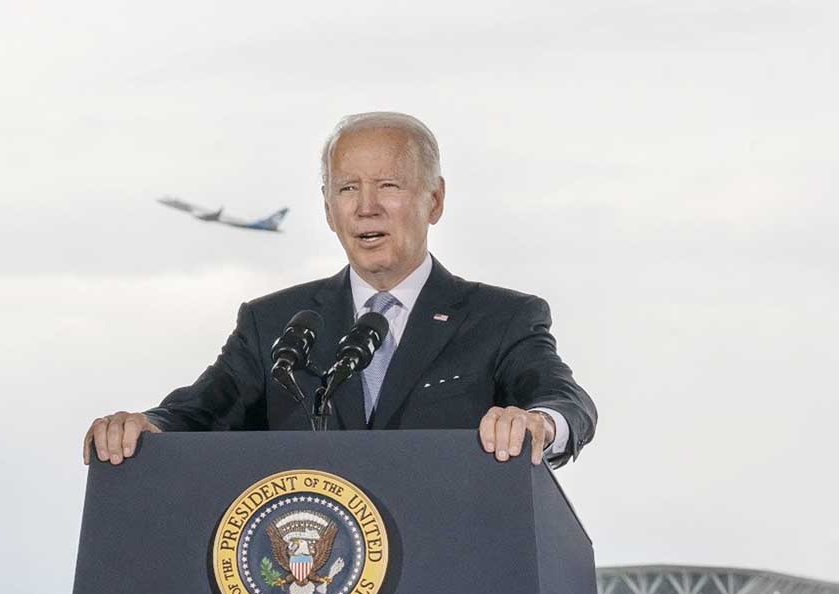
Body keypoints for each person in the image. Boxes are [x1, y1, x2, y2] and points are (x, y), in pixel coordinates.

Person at [83, 112, 596, 469]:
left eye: (388, 187)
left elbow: (566, 401)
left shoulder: (502, 318)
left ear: (434, 200)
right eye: (347, 189)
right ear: (328, 208)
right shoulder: (274, 323)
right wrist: (143, 426)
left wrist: (538, 423)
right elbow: (199, 411)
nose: (365, 207)